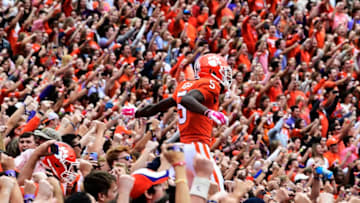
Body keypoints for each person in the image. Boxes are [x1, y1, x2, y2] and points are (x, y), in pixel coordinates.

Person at [134, 54, 232, 190]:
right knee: (217, 191)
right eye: (223, 72)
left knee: (179, 192)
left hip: (183, 149)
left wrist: (136, 112)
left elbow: (156, 107)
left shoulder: (185, 85)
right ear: (212, 71)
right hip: (198, 147)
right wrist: (209, 112)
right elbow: (187, 100)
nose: (225, 76)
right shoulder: (211, 83)